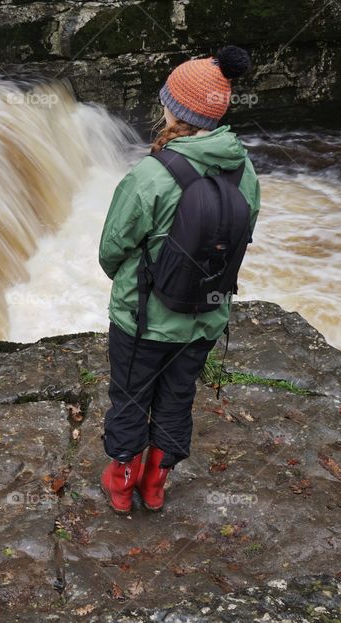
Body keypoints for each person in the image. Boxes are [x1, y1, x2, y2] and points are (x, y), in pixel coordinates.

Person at [98, 46, 261, 514]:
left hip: (143, 320)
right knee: (177, 397)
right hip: (205, 318)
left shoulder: (152, 174)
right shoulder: (244, 171)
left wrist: (128, 282)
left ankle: (122, 484)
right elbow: (242, 237)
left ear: (173, 109)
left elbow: (113, 247)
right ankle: (155, 484)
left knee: (131, 398)